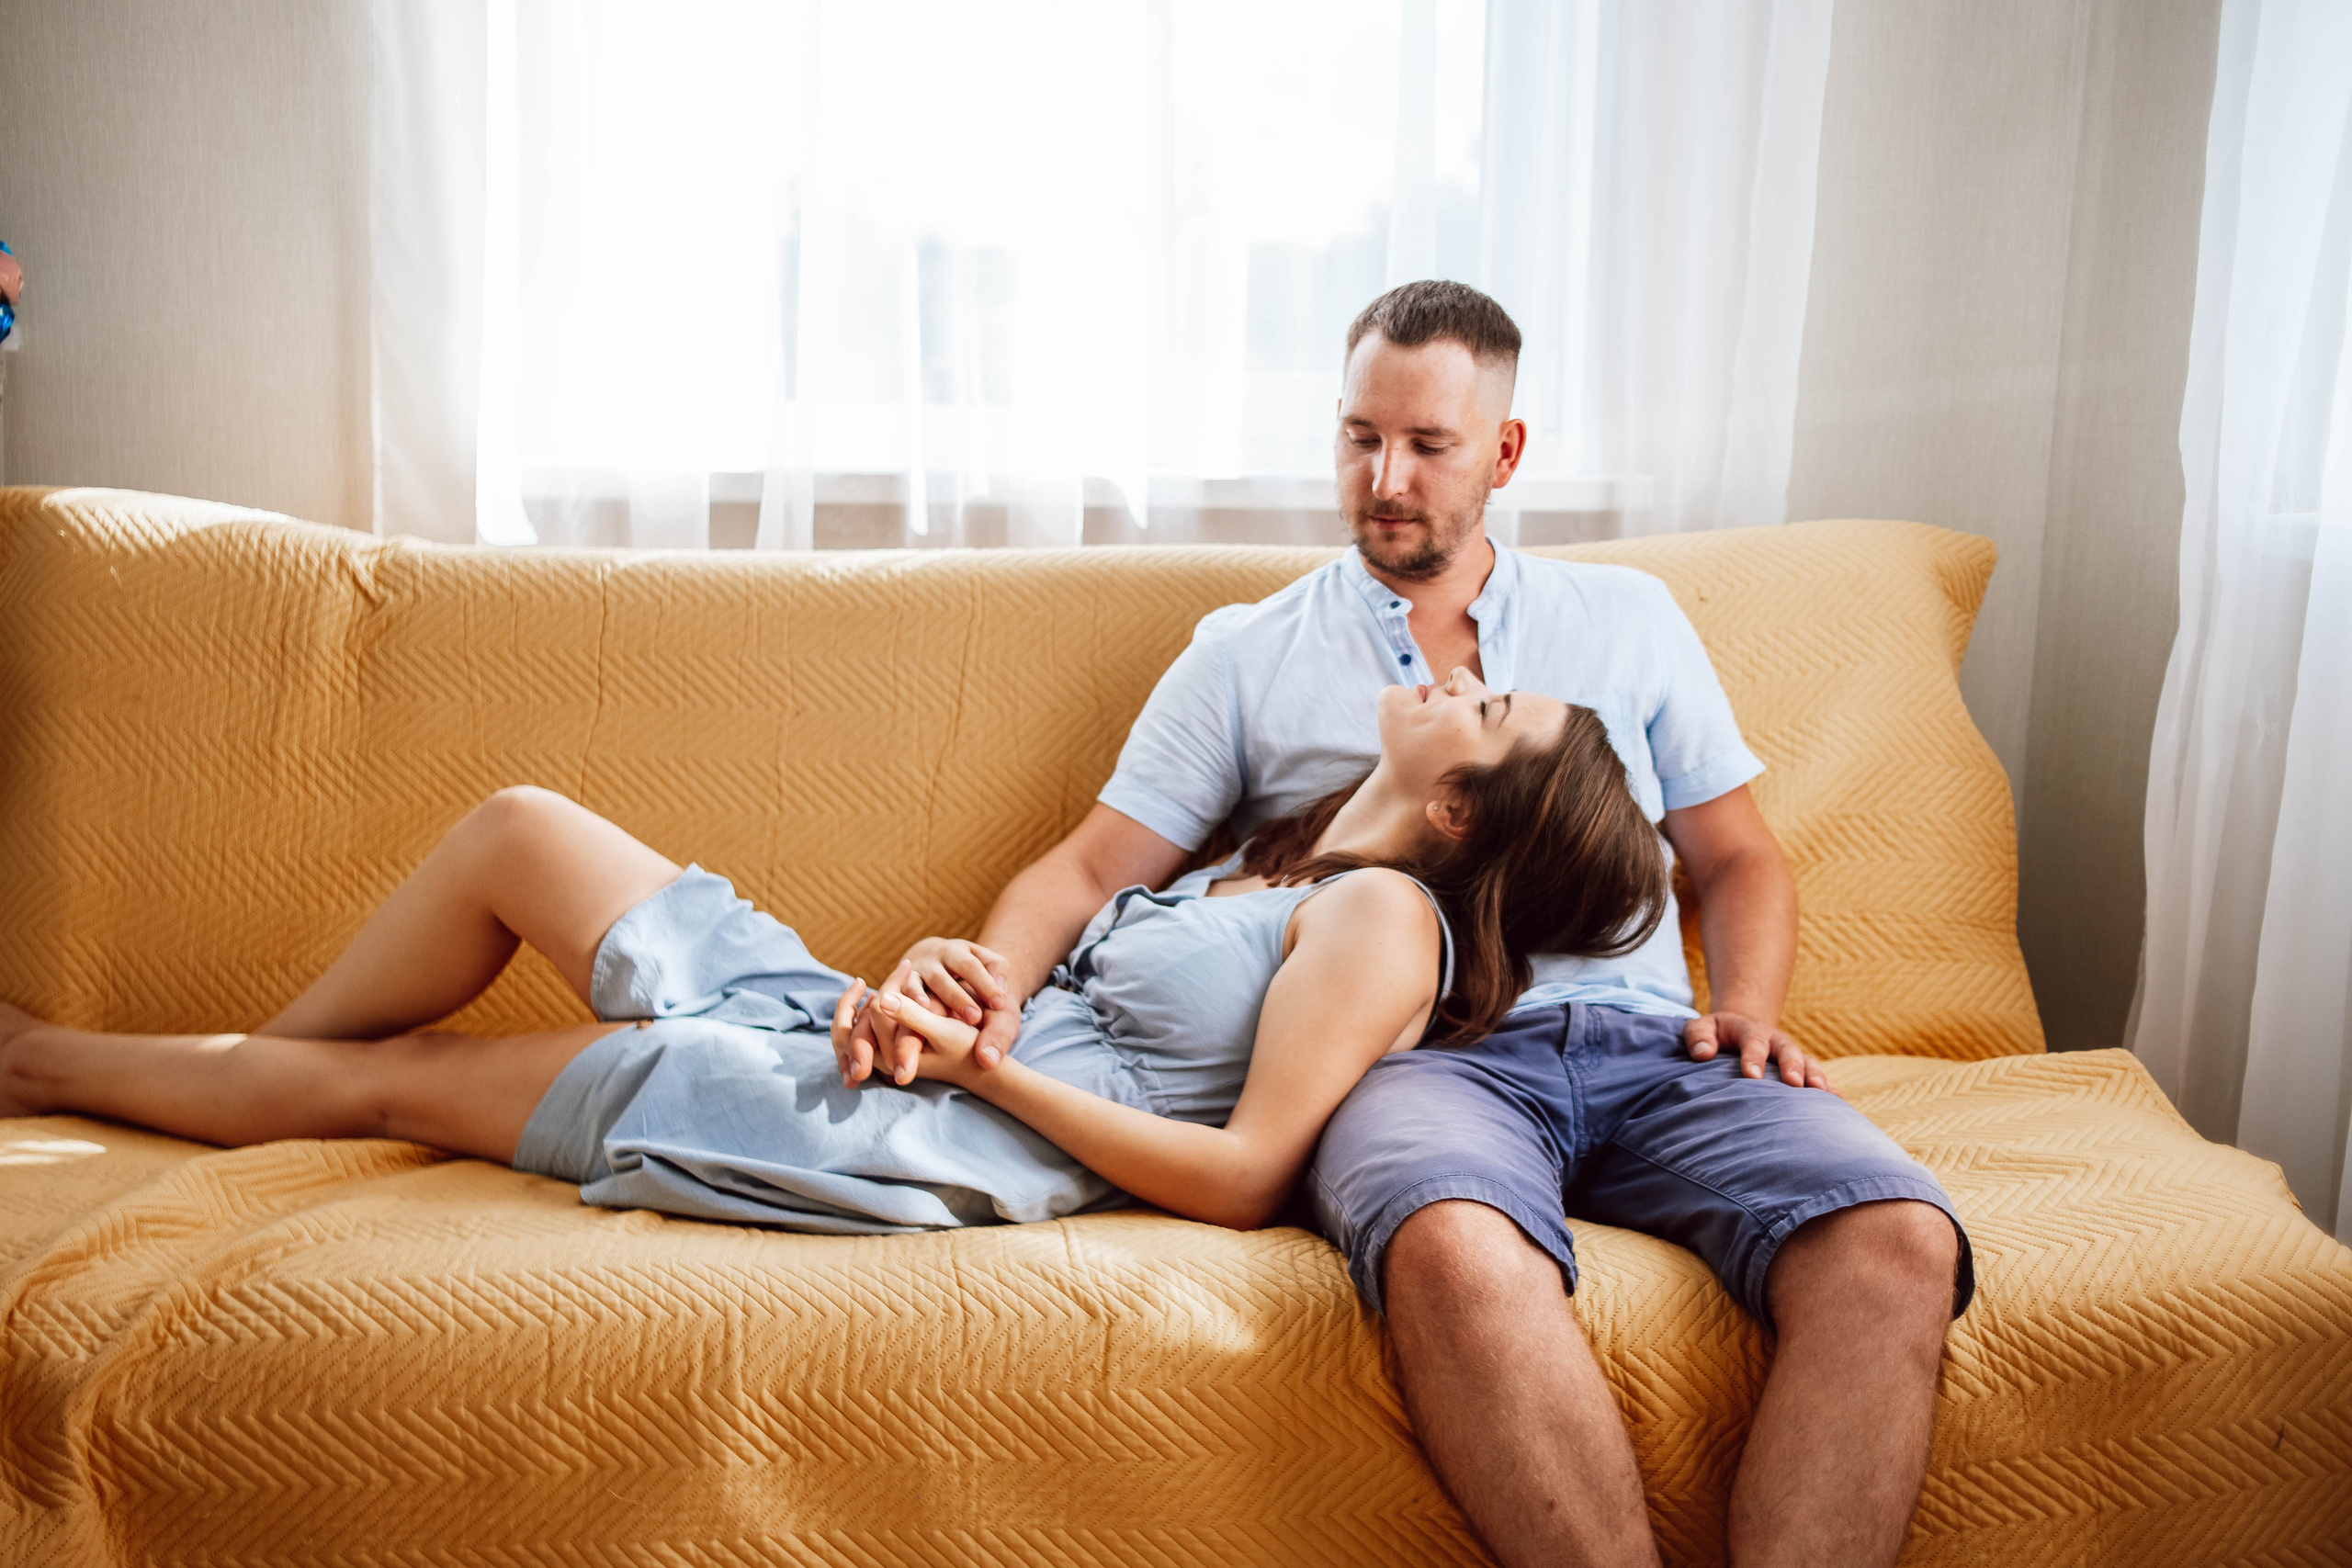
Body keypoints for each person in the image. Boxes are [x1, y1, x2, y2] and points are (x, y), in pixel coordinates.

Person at [860, 280, 1972, 1568]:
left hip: (1655, 1048)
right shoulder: (1245, 652)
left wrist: (1751, 1014)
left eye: (1428, 445)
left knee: (1898, 1241)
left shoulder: (1630, 620)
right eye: (1358, 437)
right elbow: (1091, 868)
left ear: (1503, 454)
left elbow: (1737, 859)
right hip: (1425, 1063)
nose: (1385, 476)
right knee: (1447, 1248)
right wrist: (979, 982)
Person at [0, 672, 1667, 1240]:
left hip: (903, 1126)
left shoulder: (1384, 920)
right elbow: (1078, 967)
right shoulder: (1285, 859)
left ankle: (46, 1067)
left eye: (1493, 707)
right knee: (518, 826)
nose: (1462, 675)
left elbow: (1242, 1175)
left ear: (1462, 807)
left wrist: (984, 1063)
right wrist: (958, 972)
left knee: (405, 1081)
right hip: (872, 1033)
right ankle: (237, 1085)